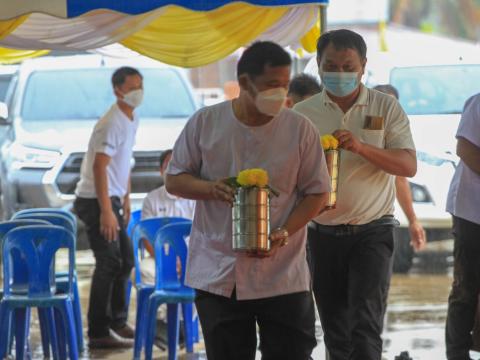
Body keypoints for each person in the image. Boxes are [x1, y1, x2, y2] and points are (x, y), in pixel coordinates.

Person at [165, 41, 331, 360]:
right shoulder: (205, 123)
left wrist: (286, 231)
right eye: (271, 85)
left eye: (284, 85)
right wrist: (211, 188)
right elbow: (174, 179)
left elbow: (318, 192)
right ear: (244, 83)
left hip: (283, 273)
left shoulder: (300, 128)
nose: (280, 94)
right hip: (219, 270)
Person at [295, 29, 417, 360]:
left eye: (348, 66)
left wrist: (362, 147)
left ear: (363, 66)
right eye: (331, 65)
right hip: (321, 234)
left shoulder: (386, 107)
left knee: (365, 327)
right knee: (335, 330)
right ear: (318, 66)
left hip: (373, 231)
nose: (340, 73)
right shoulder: (302, 115)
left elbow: (408, 165)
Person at [74, 66, 143, 349]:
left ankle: (117, 320)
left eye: (141, 85)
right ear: (118, 90)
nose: (138, 91)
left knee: (126, 259)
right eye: (132, 86)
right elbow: (99, 166)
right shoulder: (110, 122)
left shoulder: (131, 117)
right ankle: (99, 332)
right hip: (94, 200)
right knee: (109, 261)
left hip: (112, 198)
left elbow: (122, 161)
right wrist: (106, 210)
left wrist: (124, 198)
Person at [445, 92, 480, 360]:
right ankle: (457, 354)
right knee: (466, 286)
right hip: (473, 211)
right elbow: (465, 148)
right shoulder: (478, 102)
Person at [373, 84, 426, 251]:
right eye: (382, 105)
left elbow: (400, 179)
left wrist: (413, 220)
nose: (387, 111)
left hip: (378, 221)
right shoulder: (358, 129)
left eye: (391, 106)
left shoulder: (396, 133)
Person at [139, 148, 195, 283]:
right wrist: (165, 261)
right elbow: (146, 238)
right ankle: (162, 303)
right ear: (161, 172)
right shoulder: (151, 199)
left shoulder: (197, 199)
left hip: (193, 260)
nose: (174, 171)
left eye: (179, 166)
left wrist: (184, 260)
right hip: (158, 259)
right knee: (141, 273)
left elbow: (205, 237)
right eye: (169, 166)